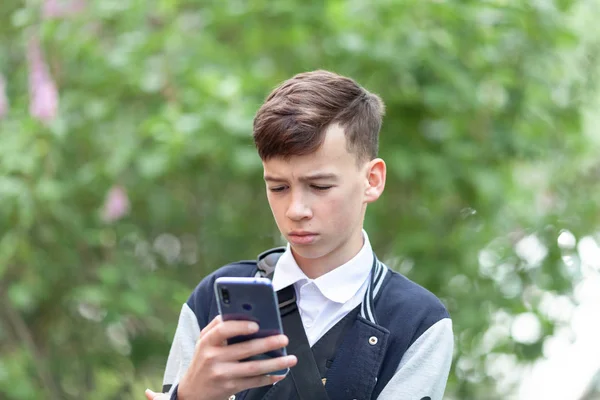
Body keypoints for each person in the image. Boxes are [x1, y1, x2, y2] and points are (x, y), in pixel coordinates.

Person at [145, 70, 454, 400]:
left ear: (372, 180)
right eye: (278, 187)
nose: (295, 209)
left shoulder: (418, 323)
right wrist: (189, 395)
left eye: (319, 186)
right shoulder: (213, 302)